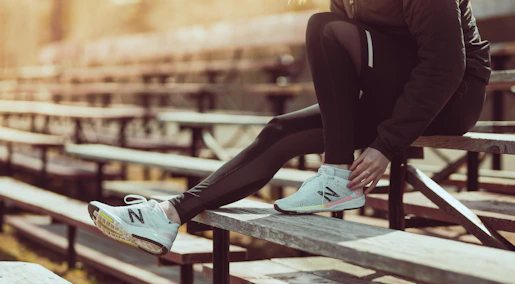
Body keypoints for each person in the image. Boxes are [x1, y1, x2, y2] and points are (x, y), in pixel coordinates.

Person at [88, 0, 491, 256]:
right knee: (281, 131)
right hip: (397, 90)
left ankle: (336, 177)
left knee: (323, 26)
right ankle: (168, 215)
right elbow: (361, 59)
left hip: (452, 98)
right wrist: (344, 125)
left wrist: (385, 145)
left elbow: (444, 67)